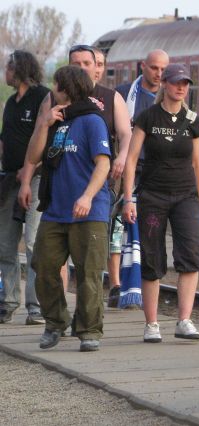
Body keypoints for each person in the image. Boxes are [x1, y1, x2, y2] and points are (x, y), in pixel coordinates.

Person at [29, 65, 111, 352]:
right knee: (44, 265)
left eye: (57, 84)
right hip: (56, 209)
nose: (53, 89)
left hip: (89, 210)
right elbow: (33, 156)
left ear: (68, 88)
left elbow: (104, 163)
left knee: (89, 273)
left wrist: (88, 196)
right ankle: (56, 322)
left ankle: (89, 330)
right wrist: (44, 124)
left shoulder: (92, 121)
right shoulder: (57, 120)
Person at [122, 63, 199, 343]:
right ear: (165, 84)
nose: (181, 88)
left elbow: (197, 163)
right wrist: (128, 198)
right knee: (152, 257)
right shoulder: (147, 117)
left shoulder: (192, 120)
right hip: (153, 196)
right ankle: (152, 323)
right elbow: (131, 160)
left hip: (186, 197)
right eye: (176, 82)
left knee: (191, 255)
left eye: (185, 83)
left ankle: (184, 320)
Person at [108, 49, 169, 308]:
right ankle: (115, 285)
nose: (159, 74)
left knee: (150, 229)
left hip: (155, 171)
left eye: (163, 70)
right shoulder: (123, 94)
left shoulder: (167, 97)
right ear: (143, 66)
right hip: (127, 169)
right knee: (119, 227)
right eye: (154, 68)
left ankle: (140, 283)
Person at [0, 50, 49, 325]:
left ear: (18, 70)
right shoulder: (11, 101)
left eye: (7, 67)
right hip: (8, 179)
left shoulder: (42, 96)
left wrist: (29, 173)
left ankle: (36, 306)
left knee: (32, 242)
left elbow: (45, 139)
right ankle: (7, 301)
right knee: (5, 243)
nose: (5, 72)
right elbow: (5, 139)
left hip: (37, 178)